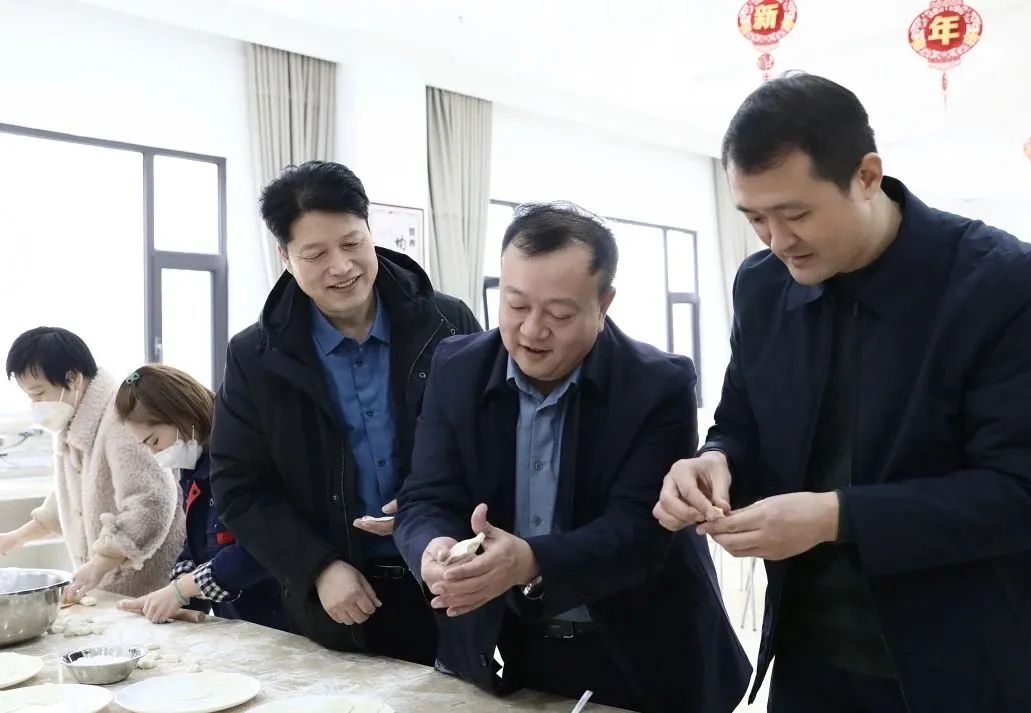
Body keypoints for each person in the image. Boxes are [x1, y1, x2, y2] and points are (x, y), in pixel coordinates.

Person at [653, 73, 1031, 713]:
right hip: (813, 656)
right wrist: (713, 462)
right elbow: (740, 423)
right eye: (756, 218)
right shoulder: (763, 285)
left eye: (796, 214)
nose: (777, 241)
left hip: (972, 660)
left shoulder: (1003, 282)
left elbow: (1026, 494)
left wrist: (834, 517)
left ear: (867, 176)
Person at [394, 203, 751, 713]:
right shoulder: (457, 368)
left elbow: (639, 533)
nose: (531, 331)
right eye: (515, 305)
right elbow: (426, 494)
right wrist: (432, 548)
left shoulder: (656, 384)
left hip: (639, 653)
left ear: (603, 304)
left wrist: (530, 561)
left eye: (559, 314)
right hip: (512, 651)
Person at [210, 161, 482, 663]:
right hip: (338, 600)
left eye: (352, 243)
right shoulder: (255, 356)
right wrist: (316, 567)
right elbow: (239, 486)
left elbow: (490, 439)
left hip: (452, 579)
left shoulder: (447, 323)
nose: (341, 267)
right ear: (285, 256)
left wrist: (432, 508)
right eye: (316, 254)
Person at [0, 328, 185, 601]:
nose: (35, 405)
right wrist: (16, 537)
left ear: (73, 378)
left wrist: (101, 563)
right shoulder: (71, 423)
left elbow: (151, 502)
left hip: (151, 591)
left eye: (38, 393)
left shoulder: (121, 419)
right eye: (29, 396)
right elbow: (69, 502)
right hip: (111, 590)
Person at [112, 364, 285, 629]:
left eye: (154, 441)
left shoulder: (243, 454)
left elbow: (261, 547)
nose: (155, 455)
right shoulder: (193, 465)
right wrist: (174, 593)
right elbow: (196, 544)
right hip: (239, 623)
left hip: (281, 615)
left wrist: (183, 589)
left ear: (182, 415)